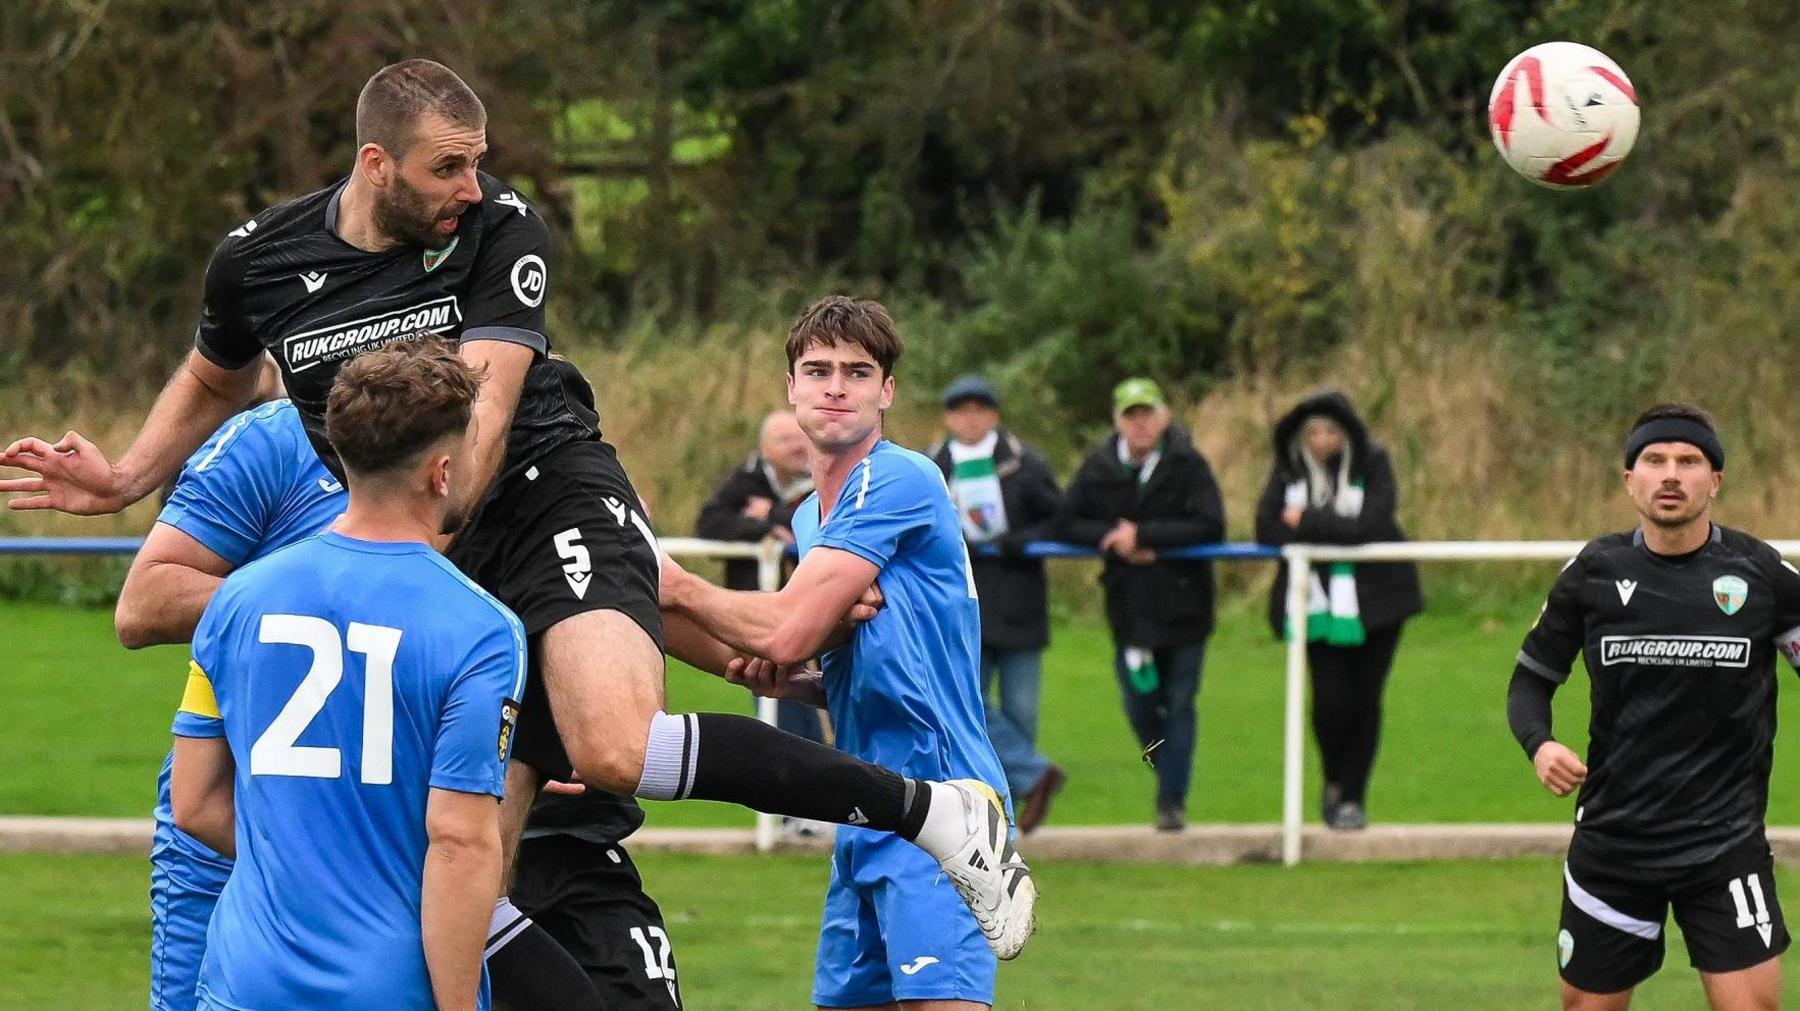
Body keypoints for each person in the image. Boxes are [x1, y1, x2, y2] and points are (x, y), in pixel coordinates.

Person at [1, 57, 1019, 978]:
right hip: (444, 538)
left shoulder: (499, 230)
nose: (471, 188)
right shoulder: (257, 261)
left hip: (545, 489)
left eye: (477, 163)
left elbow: (481, 421)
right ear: (376, 164)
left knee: (613, 748)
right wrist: (129, 476)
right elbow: (212, 376)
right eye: (447, 168)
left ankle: (934, 811)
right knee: (459, 886)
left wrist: (412, 568)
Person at [659, 295, 1038, 1006]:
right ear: (791, 387)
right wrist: (803, 683)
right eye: (818, 369)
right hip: (863, 805)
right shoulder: (811, 514)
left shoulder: (899, 477)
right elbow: (833, 651)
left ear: (887, 392)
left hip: (944, 804)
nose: (837, 386)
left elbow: (784, 631)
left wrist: (674, 585)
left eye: (859, 372)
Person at [170, 339, 514, 1010]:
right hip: (388, 988)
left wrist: (306, 861)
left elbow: (193, 802)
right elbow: (461, 843)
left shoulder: (235, 600)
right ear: (443, 472)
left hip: (245, 982)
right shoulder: (481, 629)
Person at [1507, 403, 1793, 1010]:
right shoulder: (1593, 573)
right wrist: (1541, 744)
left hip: (1724, 844)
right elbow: (1530, 682)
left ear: (1715, 481)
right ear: (1629, 479)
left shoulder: (1762, 575)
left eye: (1689, 461)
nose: (1671, 474)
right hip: (1615, 844)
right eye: (1655, 460)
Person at [1252, 389, 1422, 831]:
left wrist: (1305, 521)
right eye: (1314, 432)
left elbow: (1372, 525)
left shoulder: (1375, 462)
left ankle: (1352, 797)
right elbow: (1266, 530)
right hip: (1313, 602)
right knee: (1330, 700)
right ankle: (1332, 780)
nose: (1323, 441)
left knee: (1366, 699)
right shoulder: (1288, 468)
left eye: (1332, 431)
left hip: (1381, 601)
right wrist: (1330, 527)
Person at [1059, 378, 1224, 833]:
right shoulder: (1097, 467)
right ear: (1117, 421)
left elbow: (1211, 525)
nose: (1141, 423)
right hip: (1130, 611)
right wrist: (1112, 538)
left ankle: (1171, 800)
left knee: (1181, 700)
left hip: (1186, 607)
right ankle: (1166, 771)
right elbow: (1066, 521)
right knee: (1138, 704)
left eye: (1148, 413)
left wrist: (1148, 537)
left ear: (1164, 416)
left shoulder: (1189, 464)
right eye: (1131, 414)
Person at [926, 374, 1066, 834]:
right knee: (967, 706)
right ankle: (1026, 782)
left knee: (1020, 714)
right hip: (961, 607)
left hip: (1021, 603)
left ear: (994, 415)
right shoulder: (930, 467)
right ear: (948, 417)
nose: (970, 419)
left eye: (979, 409)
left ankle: (1011, 806)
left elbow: (1060, 519)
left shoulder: (1026, 464)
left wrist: (1018, 542)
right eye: (961, 410)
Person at [695, 409, 826, 750]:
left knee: (830, 716)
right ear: (764, 448)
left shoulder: (824, 477)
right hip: (758, 622)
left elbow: (818, 524)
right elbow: (710, 524)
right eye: (785, 440)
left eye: (801, 438)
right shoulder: (744, 482)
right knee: (780, 714)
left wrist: (772, 513)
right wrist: (765, 528)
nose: (797, 447)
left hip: (818, 616)